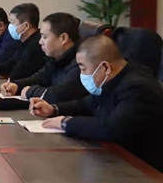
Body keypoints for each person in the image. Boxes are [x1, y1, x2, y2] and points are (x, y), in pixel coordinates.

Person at [31, 35, 163, 172]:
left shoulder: (137, 88)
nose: (82, 75)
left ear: (105, 67)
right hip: (116, 158)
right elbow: (86, 104)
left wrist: (66, 122)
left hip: (144, 169)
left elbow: (111, 128)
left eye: (83, 69)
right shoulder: (115, 77)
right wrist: (54, 109)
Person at [1, 12, 88, 103]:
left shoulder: (79, 64)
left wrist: (30, 91)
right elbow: (40, 78)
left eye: (45, 37)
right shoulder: (56, 58)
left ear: (63, 38)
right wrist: (17, 85)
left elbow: (59, 94)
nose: (40, 42)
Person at [0, 3, 46, 79]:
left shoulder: (36, 45)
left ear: (26, 26)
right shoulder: (22, 41)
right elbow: (11, 64)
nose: (9, 26)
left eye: (12, 22)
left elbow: (17, 74)